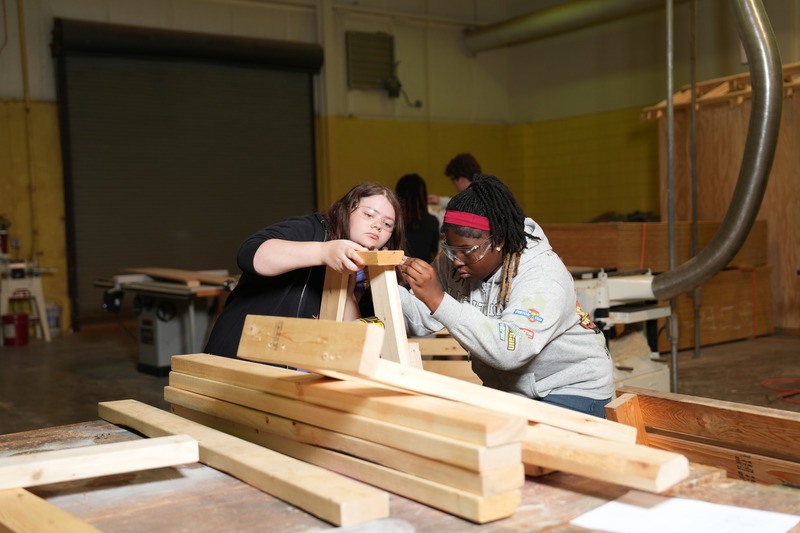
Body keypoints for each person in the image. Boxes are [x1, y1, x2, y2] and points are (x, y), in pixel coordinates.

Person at [399, 174, 614, 418]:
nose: (456, 260)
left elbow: (513, 349)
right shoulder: (457, 261)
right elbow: (422, 319)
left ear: (498, 241)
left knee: (521, 450)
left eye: (466, 251)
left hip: (569, 388)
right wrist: (377, 283)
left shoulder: (542, 274)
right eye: (450, 249)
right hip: (510, 389)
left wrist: (438, 299)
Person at [204, 182, 405, 358]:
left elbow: (349, 341)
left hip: (294, 370)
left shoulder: (368, 273)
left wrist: (349, 293)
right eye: (369, 214)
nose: (377, 225)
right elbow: (250, 254)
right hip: (241, 356)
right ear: (348, 209)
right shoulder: (312, 229)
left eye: (387, 224)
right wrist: (323, 252)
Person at [395, 173, 440, 262]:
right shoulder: (432, 221)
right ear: (423, 195)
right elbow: (434, 250)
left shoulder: (394, 222)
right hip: (423, 270)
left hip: (397, 270)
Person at [427, 152, 482, 226]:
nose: (454, 185)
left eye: (453, 180)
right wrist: (440, 200)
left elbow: (439, 223)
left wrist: (426, 210)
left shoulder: (465, 204)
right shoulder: (481, 194)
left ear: (462, 179)